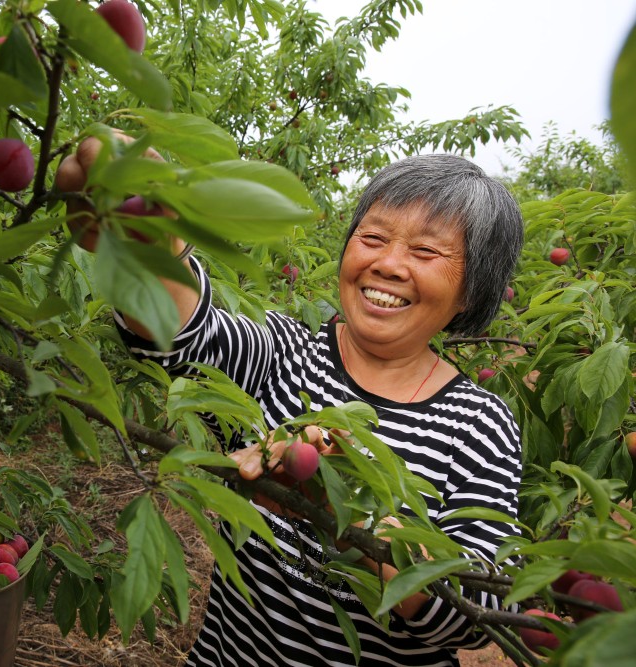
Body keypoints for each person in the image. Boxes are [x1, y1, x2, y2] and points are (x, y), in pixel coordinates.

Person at [55, 138, 524, 667]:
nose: (388, 264)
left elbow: (478, 609)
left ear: (470, 291)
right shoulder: (285, 355)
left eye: (425, 251)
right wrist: (145, 239)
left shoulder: (480, 424)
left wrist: (350, 507)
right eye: (372, 237)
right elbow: (182, 334)